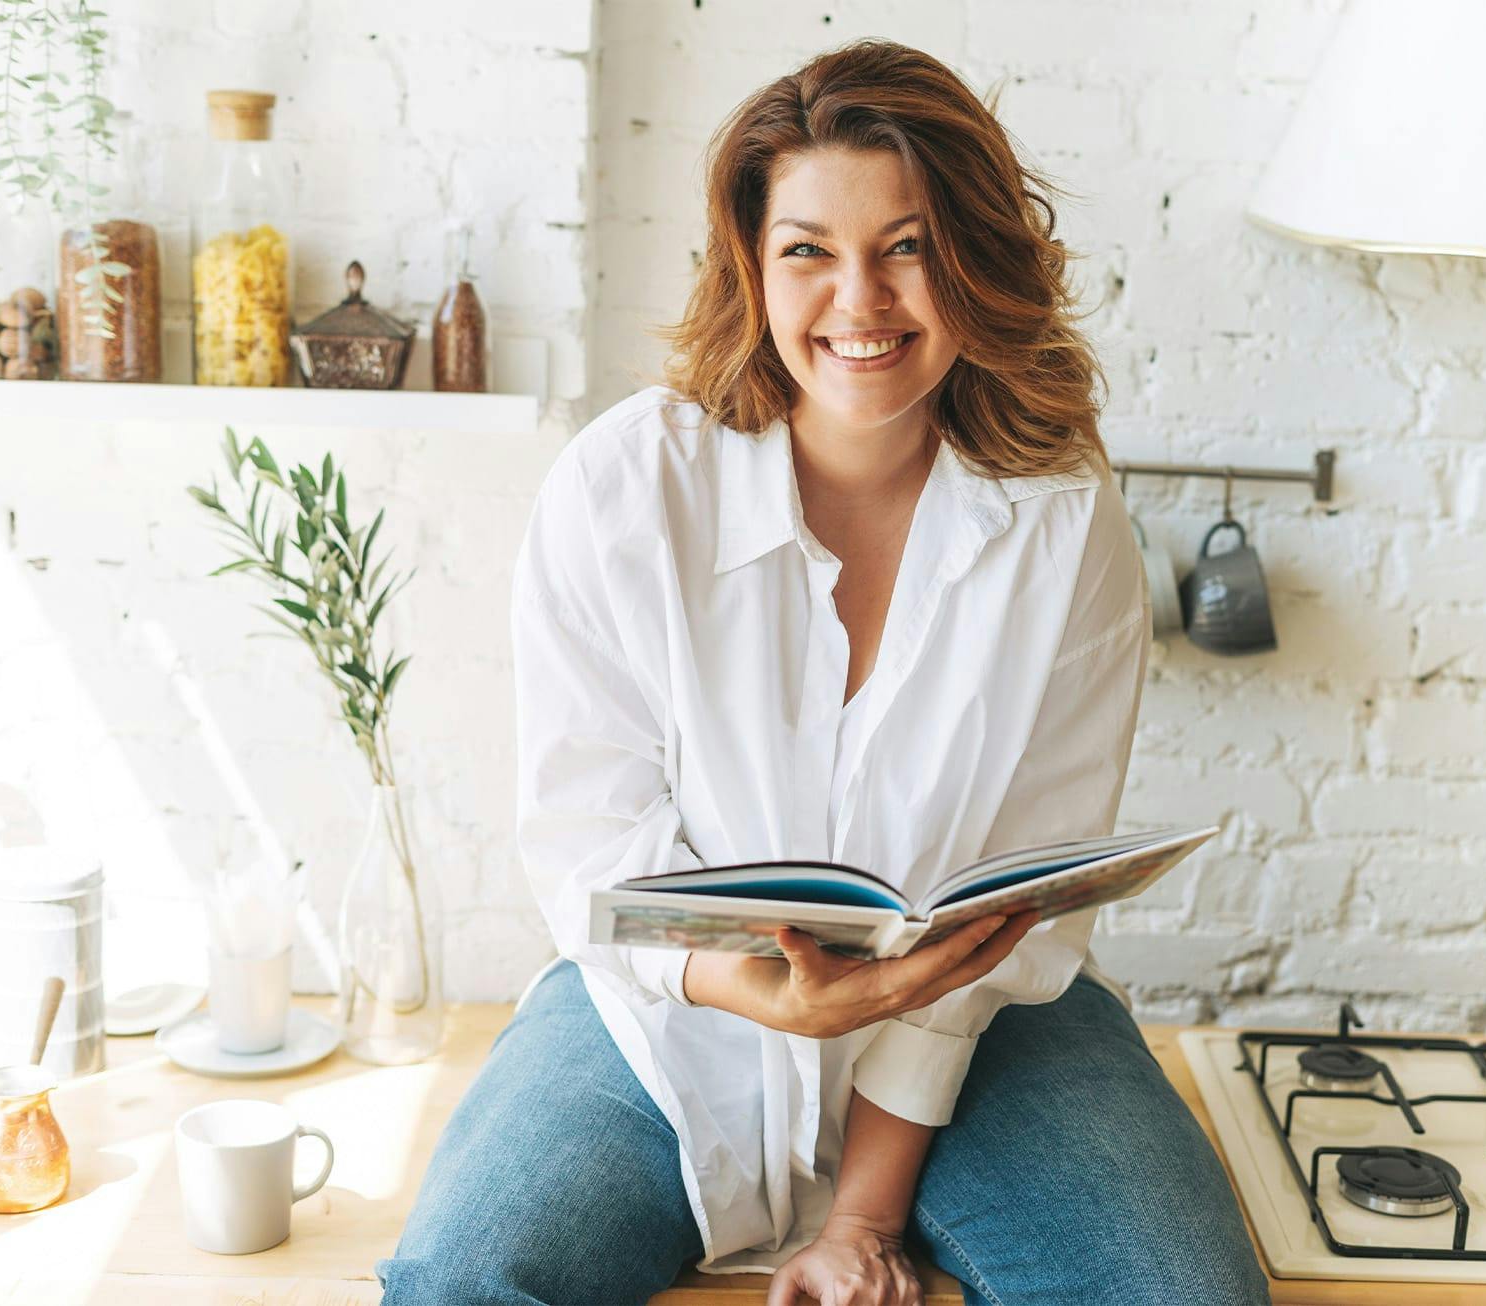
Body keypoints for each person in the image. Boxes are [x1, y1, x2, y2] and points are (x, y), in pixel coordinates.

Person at [377, 38, 1268, 1306]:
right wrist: (749, 989)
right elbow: (587, 843)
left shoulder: (1063, 517)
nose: (860, 300)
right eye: (808, 249)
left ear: (972, 255)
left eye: (905, 246)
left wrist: (860, 1215)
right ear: (751, 262)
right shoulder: (627, 487)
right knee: (460, 1283)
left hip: (978, 1009)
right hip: (668, 1013)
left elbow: (1022, 894)